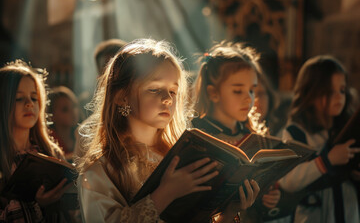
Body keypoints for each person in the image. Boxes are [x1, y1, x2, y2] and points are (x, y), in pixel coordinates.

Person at [76, 38, 258, 222]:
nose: (168, 99)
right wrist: (165, 194)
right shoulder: (102, 172)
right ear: (122, 97)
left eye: (173, 91)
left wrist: (227, 213)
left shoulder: (183, 158)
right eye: (154, 89)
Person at [191, 41, 278, 222]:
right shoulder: (195, 135)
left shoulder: (255, 136)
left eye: (252, 90)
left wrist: (267, 199)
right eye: (238, 91)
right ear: (213, 92)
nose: (249, 98)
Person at [278, 55, 360, 222]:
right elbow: (288, 180)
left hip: (348, 211)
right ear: (311, 93)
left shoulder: (345, 128)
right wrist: (327, 160)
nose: (339, 97)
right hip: (312, 215)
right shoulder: (296, 132)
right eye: (330, 92)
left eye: (342, 90)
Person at [0, 60, 72, 222]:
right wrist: (35, 204)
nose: (29, 104)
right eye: (19, 99)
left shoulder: (51, 152)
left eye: (34, 98)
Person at [48, 86, 80, 161]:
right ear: (52, 115)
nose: (73, 112)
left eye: (74, 106)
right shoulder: (49, 139)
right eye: (65, 109)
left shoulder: (81, 135)